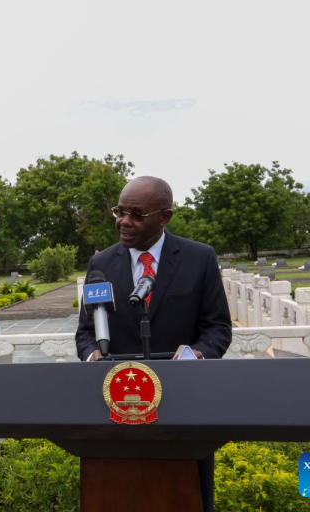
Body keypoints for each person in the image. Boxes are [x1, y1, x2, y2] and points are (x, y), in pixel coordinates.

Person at [75, 175, 231, 512]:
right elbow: (86, 331)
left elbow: (217, 327)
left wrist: (196, 355)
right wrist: (91, 357)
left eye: (136, 214)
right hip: (115, 407)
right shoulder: (100, 265)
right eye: (120, 211)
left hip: (183, 408)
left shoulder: (199, 258)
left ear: (165, 217)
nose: (124, 221)